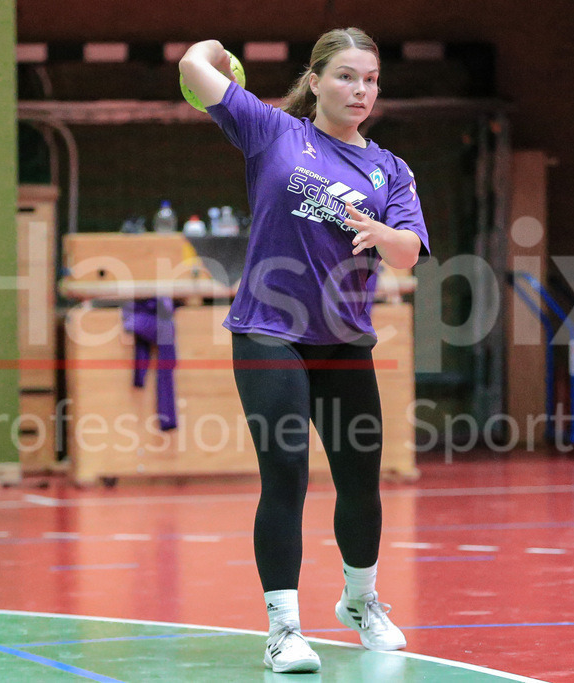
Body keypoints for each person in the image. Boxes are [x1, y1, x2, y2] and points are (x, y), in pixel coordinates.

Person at [179, 28, 430, 674]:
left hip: (344, 340)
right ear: (314, 81)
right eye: (346, 76)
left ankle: (360, 599)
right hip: (268, 330)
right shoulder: (271, 131)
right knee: (286, 469)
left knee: (360, 482)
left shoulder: (391, 169)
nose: (360, 90)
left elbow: (408, 252)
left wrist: (382, 232)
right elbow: (191, 67)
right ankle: (284, 628)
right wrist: (218, 52)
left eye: (370, 79)